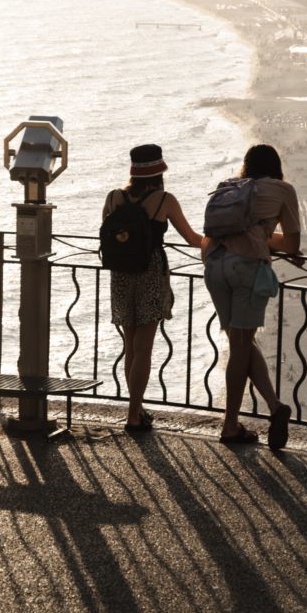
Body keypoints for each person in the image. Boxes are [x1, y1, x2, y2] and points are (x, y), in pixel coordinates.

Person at [202, 144, 301, 449]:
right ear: (276, 165)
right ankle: (230, 425)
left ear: (246, 166)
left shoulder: (229, 187)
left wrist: (256, 237)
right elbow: (293, 244)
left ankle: (274, 407)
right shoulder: (283, 190)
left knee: (241, 341)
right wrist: (264, 240)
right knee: (241, 345)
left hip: (214, 265)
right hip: (246, 268)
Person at [103, 144, 202, 432]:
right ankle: (134, 415)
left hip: (120, 275)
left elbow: (109, 235)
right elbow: (192, 238)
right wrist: (221, 241)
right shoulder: (164, 200)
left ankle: (136, 408)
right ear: (159, 171)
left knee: (130, 347)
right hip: (149, 274)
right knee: (143, 349)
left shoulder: (113, 197)